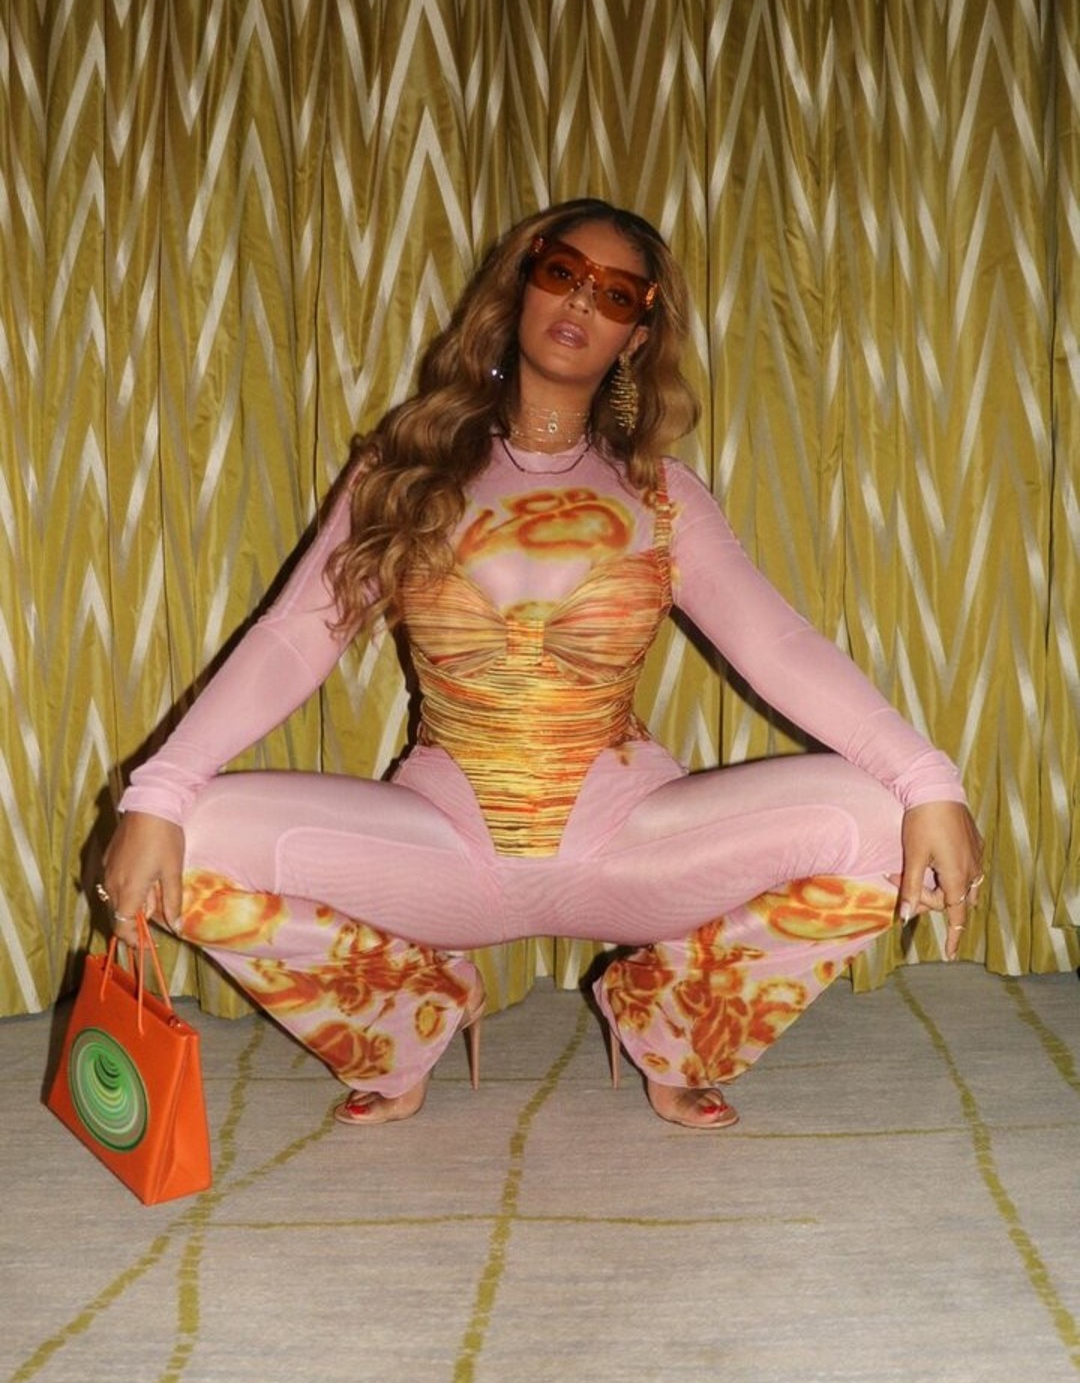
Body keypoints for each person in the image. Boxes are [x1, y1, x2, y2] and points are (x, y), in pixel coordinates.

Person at [99, 197, 984, 1130]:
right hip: (446, 846)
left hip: (630, 843)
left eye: (616, 293)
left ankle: (673, 1021)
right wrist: (158, 793)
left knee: (887, 817)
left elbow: (776, 646)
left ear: (637, 335)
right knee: (184, 834)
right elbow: (293, 639)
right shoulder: (403, 471)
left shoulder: (664, 497)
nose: (582, 301)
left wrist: (930, 779)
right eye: (563, 273)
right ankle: (408, 1014)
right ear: (522, 284)